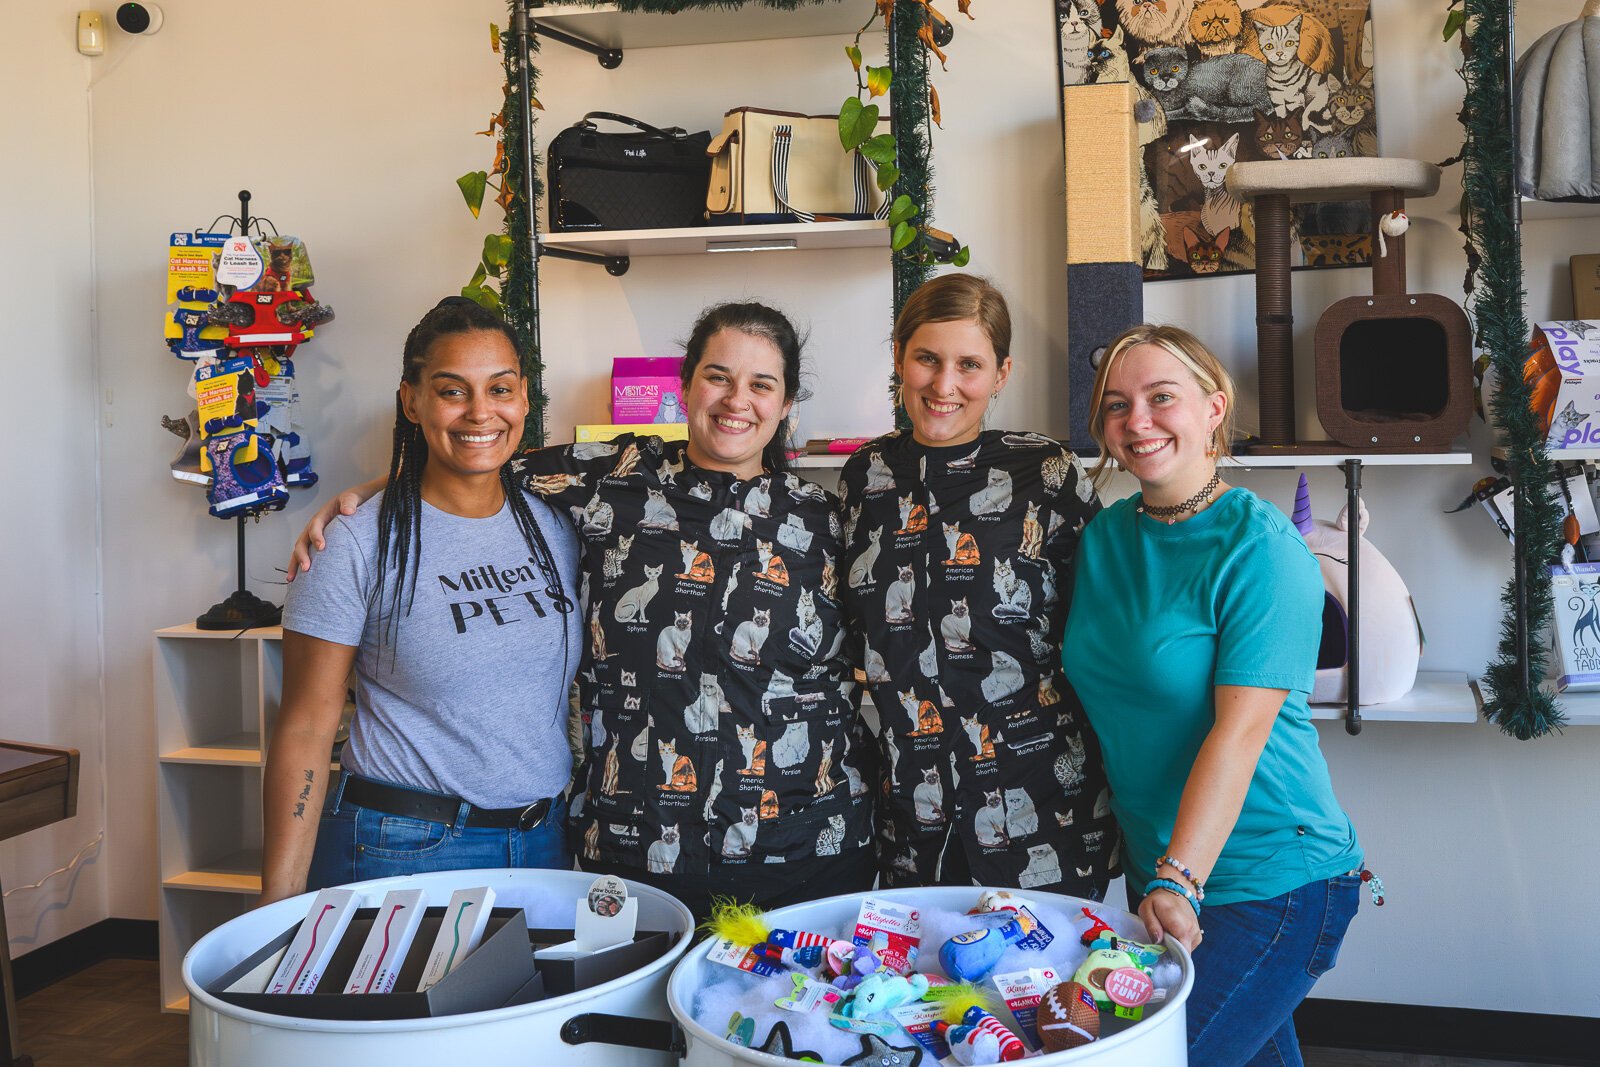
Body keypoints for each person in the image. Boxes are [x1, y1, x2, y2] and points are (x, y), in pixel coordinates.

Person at [289, 302, 876, 921]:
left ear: (786, 404)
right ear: (684, 386)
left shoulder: (826, 519)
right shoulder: (610, 479)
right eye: (718, 376)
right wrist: (371, 493)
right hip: (635, 847)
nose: (737, 400)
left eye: (762, 385)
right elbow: (474, 457)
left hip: (805, 846)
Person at [1063, 323, 1366, 1066]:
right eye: (1117, 405)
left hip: (1268, 878)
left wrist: (1179, 877)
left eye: (1161, 397)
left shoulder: (1261, 547)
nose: (1137, 420)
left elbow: (1239, 734)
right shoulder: (1104, 538)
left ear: (1214, 408)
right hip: (1162, 873)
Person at [261, 297, 580, 906]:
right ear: (412, 401)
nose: (480, 411)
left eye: (500, 389)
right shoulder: (355, 542)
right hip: (404, 846)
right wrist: (278, 902)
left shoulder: (558, 525)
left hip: (543, 845)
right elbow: (304, 727)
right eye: (452, 391)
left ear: (524, 398)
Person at [839, 274, 1117, 895]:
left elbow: (1106, 626)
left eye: (969, 365)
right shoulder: (864, 475)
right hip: (910, 808)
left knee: (1049, 963)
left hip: (1040, 803)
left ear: (1001, 374)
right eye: (927, 359)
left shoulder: (1046, 472)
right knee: (921, 960)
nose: (944, 385)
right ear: (898, 358)